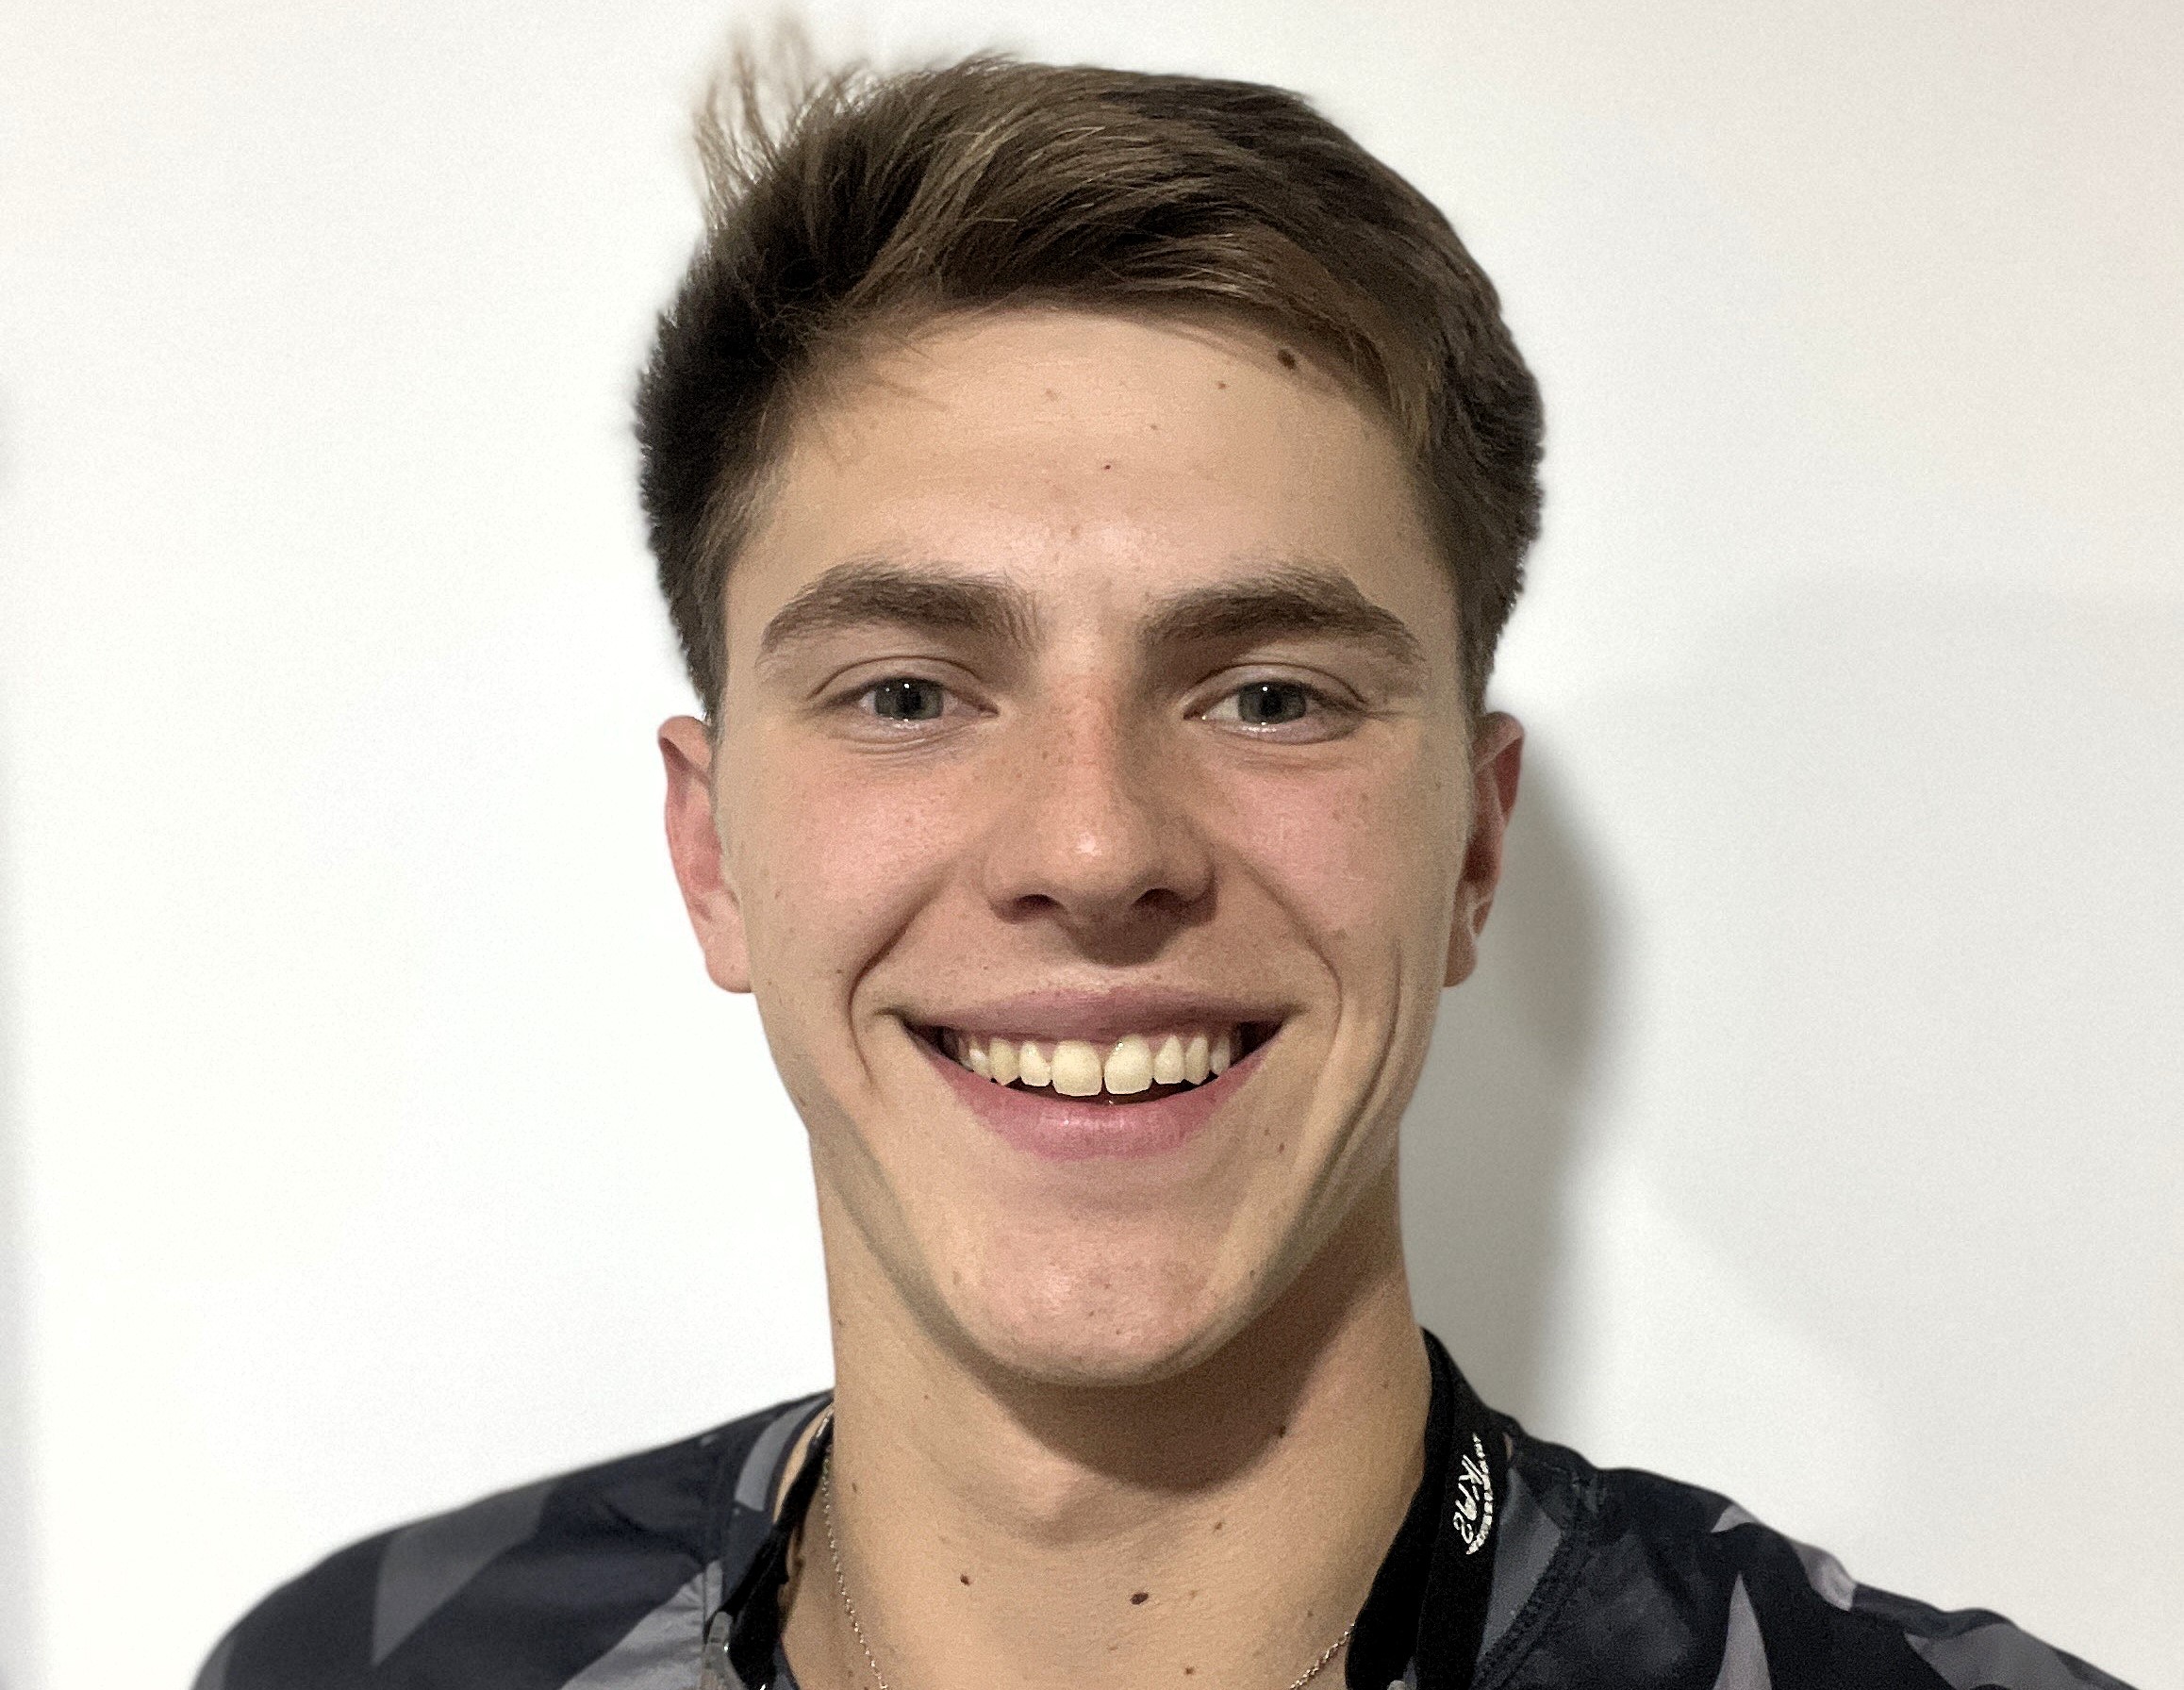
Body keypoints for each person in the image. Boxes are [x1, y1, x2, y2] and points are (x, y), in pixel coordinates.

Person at [194, 44, 2131, 1690]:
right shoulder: (364, 1663)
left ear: (1473, 843)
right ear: (711, 851)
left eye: (1272, 695)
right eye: (908, 693)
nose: (1095, 845)